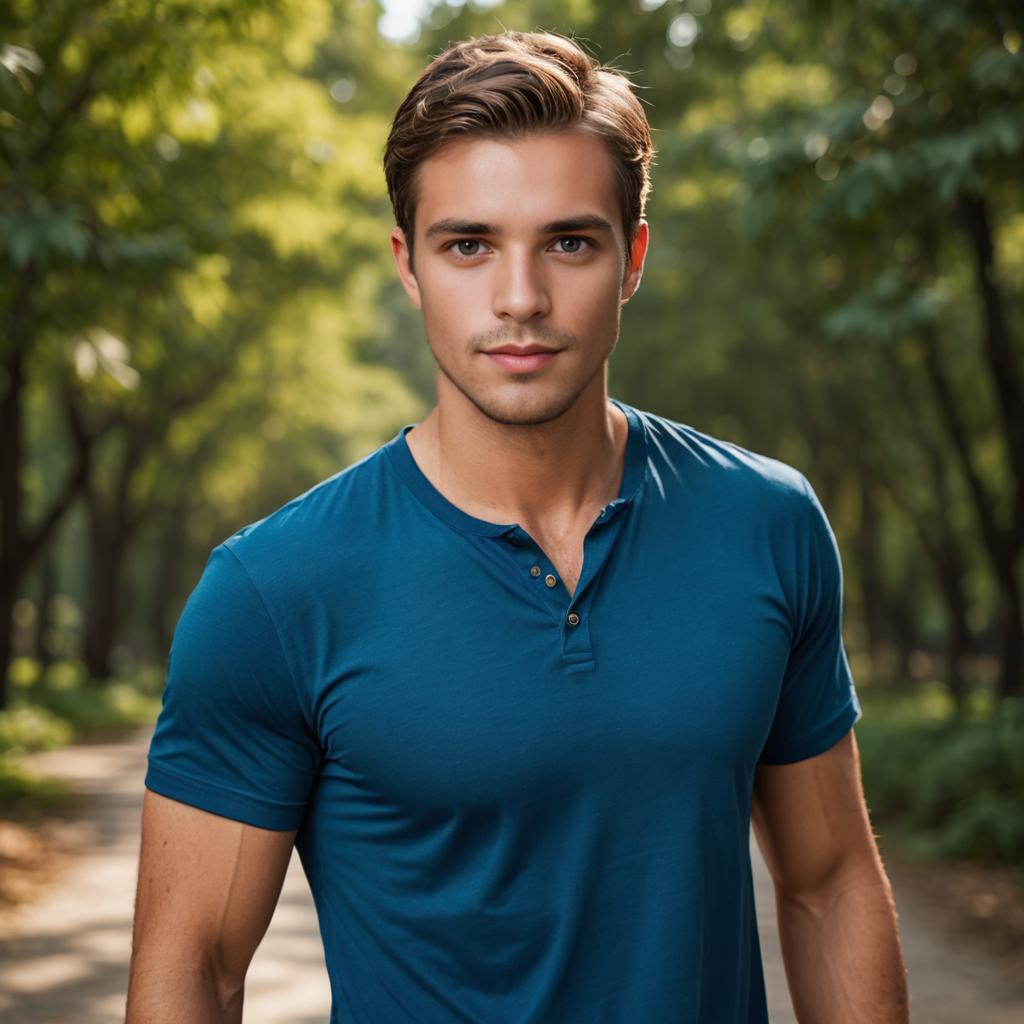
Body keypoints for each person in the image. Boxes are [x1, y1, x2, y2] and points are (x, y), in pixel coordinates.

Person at [126, 30, 910, 1024]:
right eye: (469, 244)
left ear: (630, 257)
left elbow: (828, 879)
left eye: (568, 241)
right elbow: (194, 965)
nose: (520, 299)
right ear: (408, 265)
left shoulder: (766, 523)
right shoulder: (275, 589)